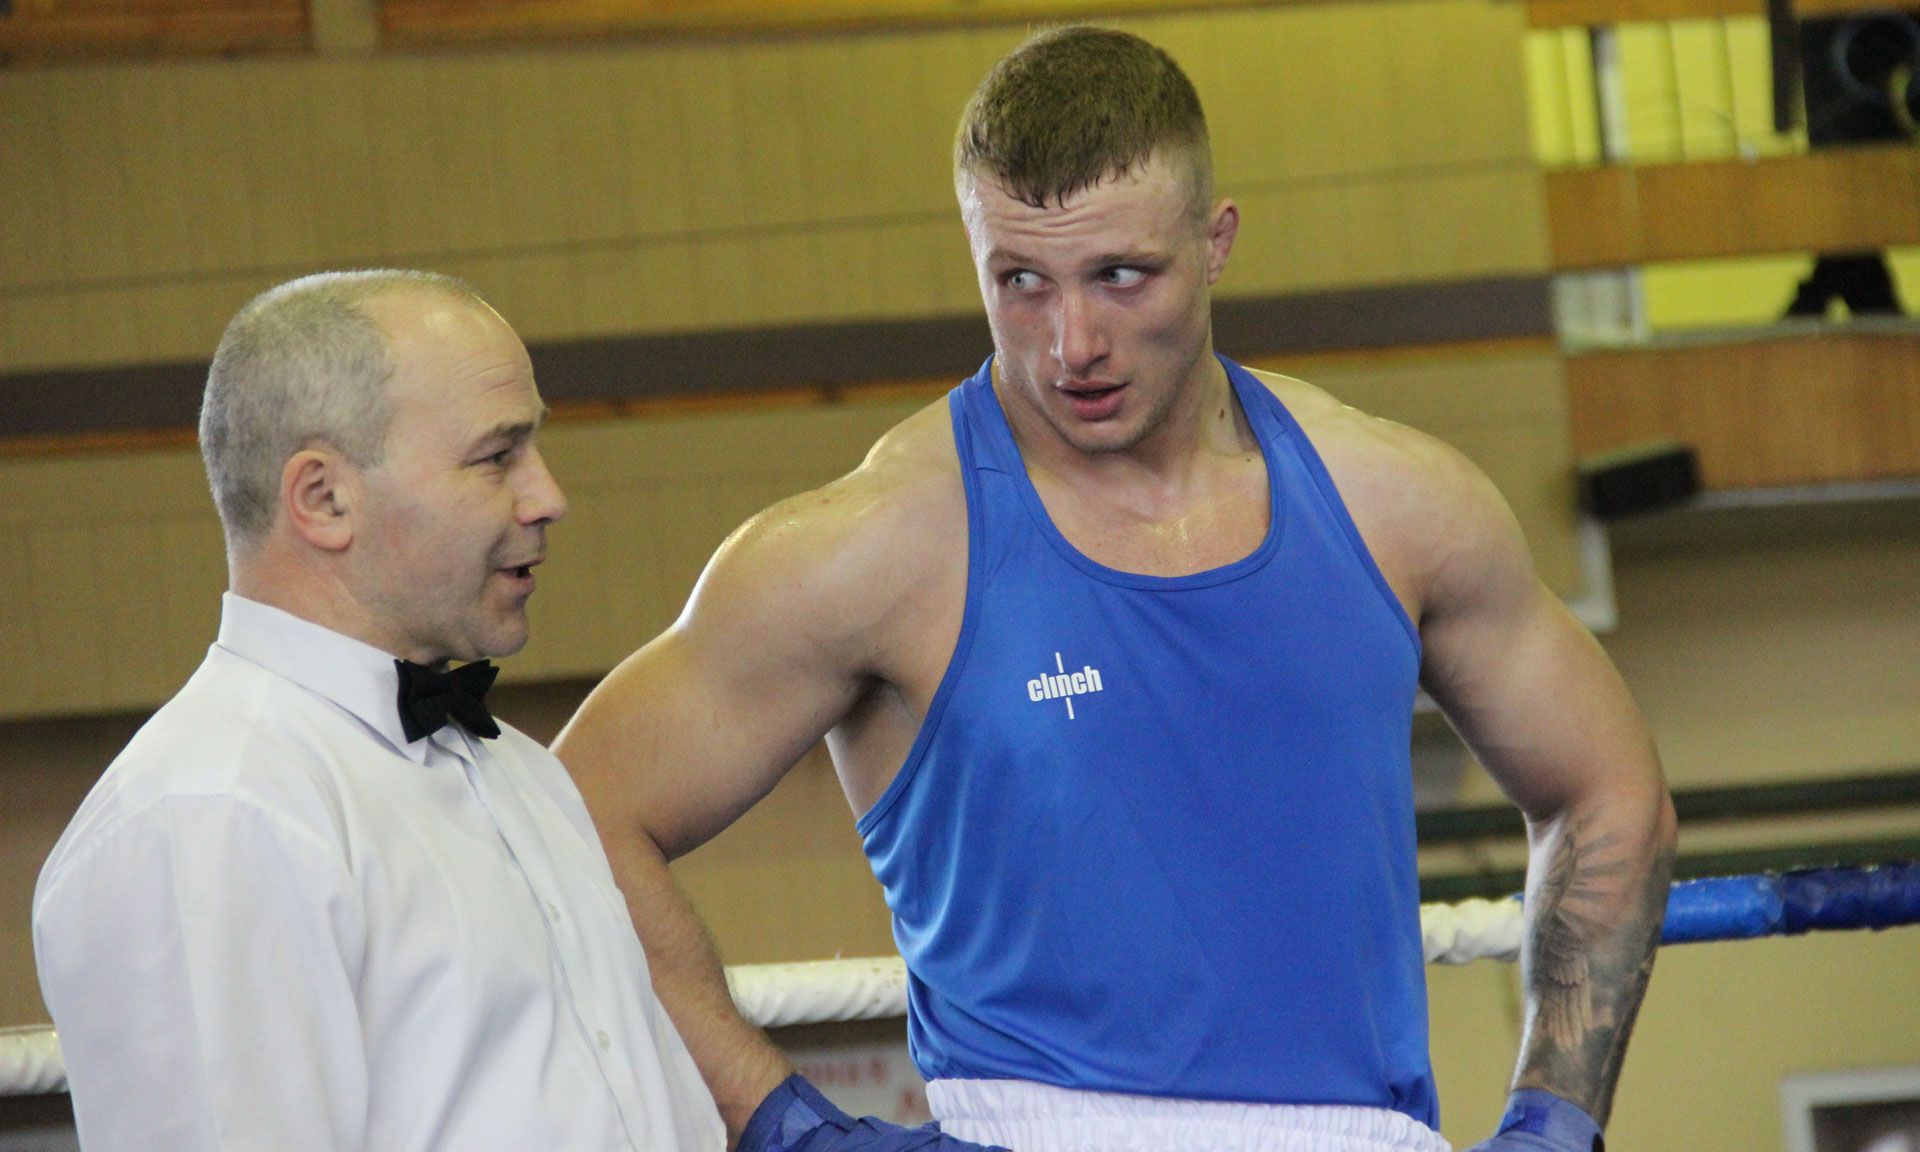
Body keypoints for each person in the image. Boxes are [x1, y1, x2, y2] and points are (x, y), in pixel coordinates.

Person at [555, 26, 1678, 1152]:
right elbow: (570, 817)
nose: (1072, 344)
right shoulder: (876, 547)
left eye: (1120, 276)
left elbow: (1608, 790)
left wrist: (1554, 1124)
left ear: (1215, 242)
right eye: (1021, 283)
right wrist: (782, 1126)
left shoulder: (1398, 503)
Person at [33, 271, 725, 1152]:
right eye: (497, 456)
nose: (548, 496)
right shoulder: (211, 813)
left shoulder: (519, 771)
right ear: (324, 499)